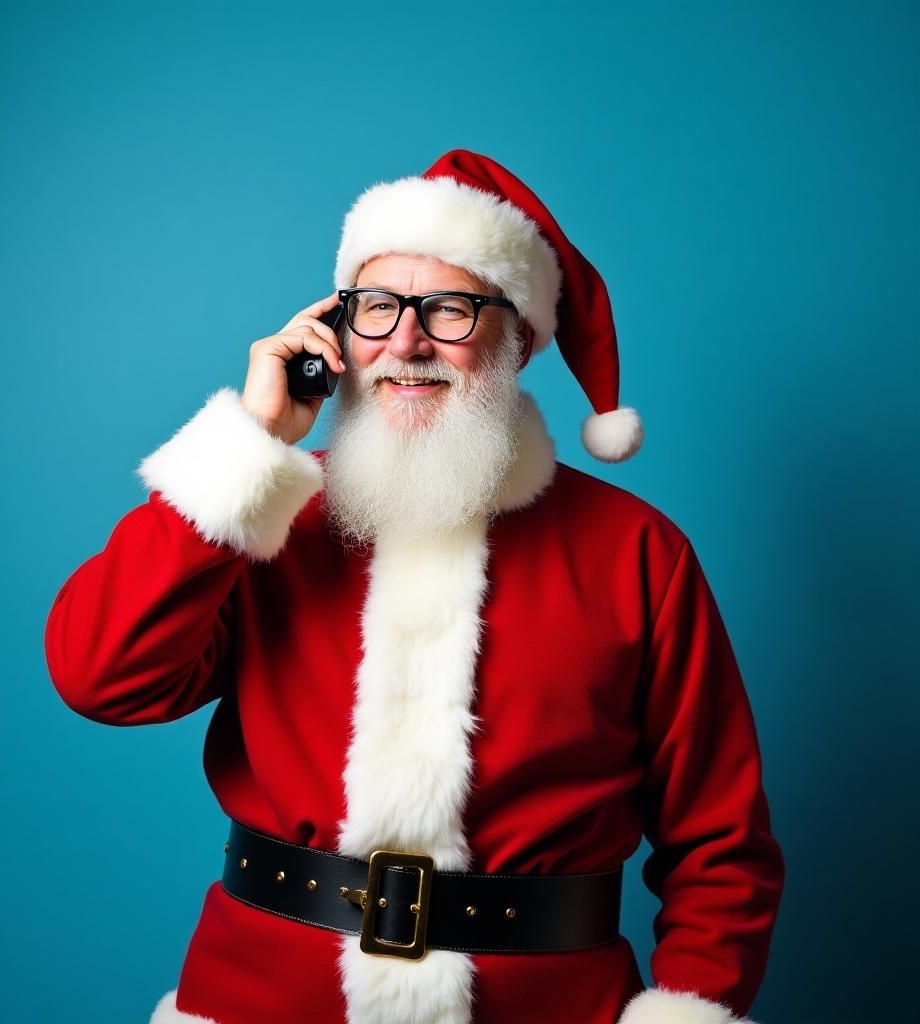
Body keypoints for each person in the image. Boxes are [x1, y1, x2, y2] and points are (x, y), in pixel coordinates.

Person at [45, 150, 784, 1024]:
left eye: (449, 309)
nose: (405, 341)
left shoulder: (637, 551)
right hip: (265, 1001)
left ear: (517, 338)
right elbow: (102, 676)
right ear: (337, 330)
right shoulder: (270, 513)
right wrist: (247, 443)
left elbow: (722, 846)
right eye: (377, 307)